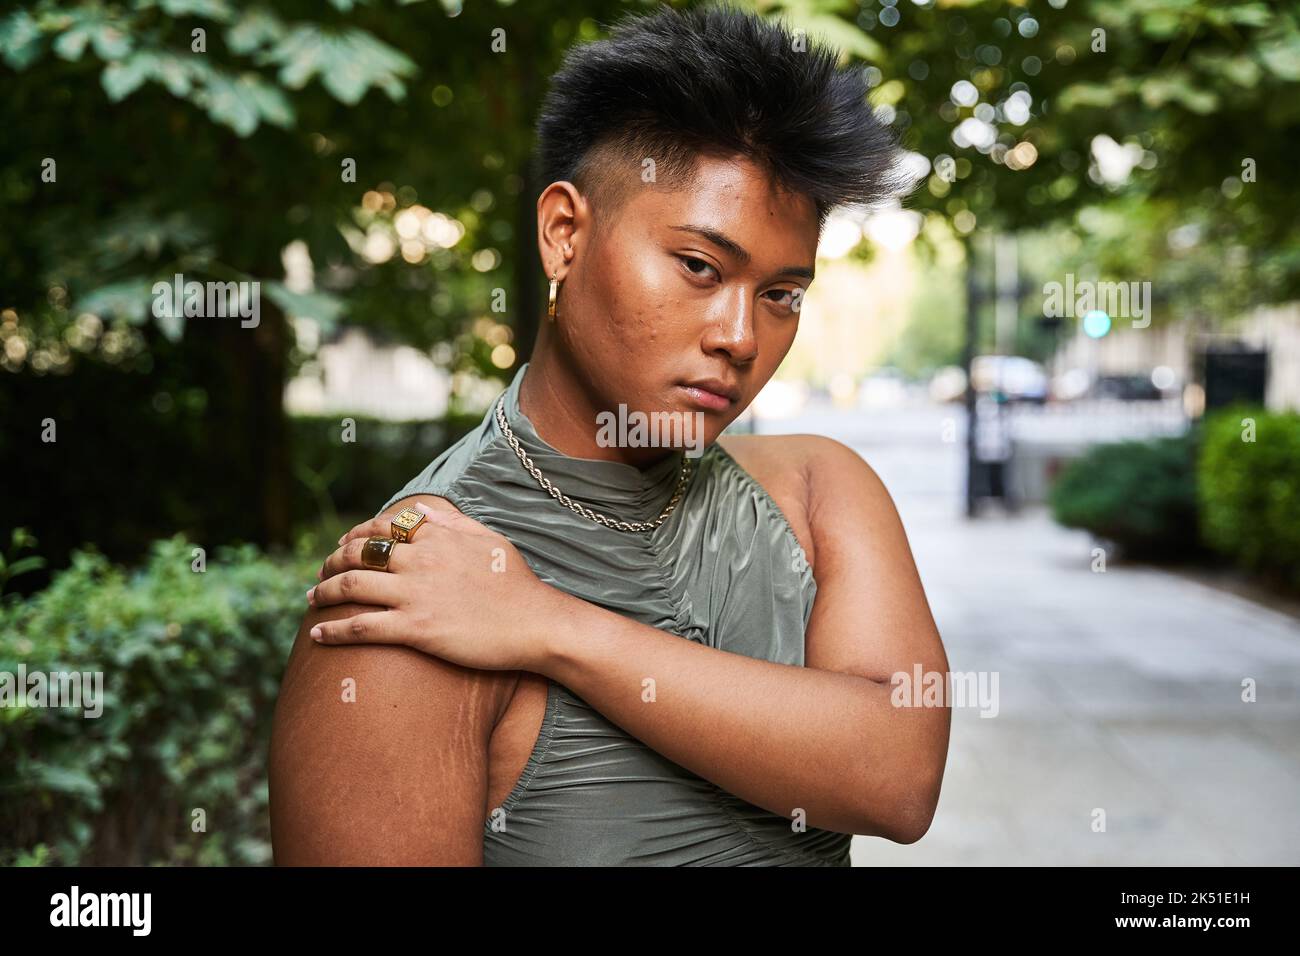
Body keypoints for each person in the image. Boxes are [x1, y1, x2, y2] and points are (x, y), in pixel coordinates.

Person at [269, 2, 950, 866]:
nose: (740, 337)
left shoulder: (819, 490)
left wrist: (550, 625)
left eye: (781, 294)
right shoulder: (415, 594)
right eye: (700, 267)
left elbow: (899, 776)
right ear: (564, 235)